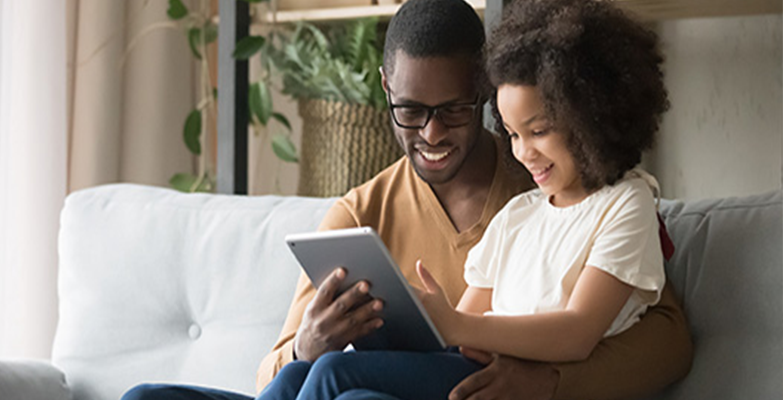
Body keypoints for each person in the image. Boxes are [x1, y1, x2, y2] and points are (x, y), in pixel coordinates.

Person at [122, 1, 692, 400]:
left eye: (454, 110)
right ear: (386, 90)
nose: (434, 133)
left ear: (482, 93)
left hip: (460, 384)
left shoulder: (554, 189)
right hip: (390, 377)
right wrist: (309, 344)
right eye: (412, 111)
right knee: (146, 396)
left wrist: (549, 386)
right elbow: (274, 377)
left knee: (346, 393)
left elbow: (664, 340)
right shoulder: (361, 215)